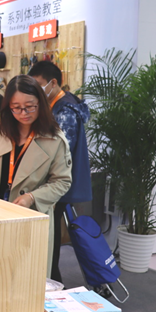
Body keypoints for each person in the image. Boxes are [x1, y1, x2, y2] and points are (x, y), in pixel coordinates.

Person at [0, 75, 72, 275]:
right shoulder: (1, 126)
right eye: (16, 107)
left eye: (30, 107)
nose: (23, 113)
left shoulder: (54, 139)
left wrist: (32, 197)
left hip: (30, 215)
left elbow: (62, 181)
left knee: (26, 274)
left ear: (41, 103)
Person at [29, 61, 92, 283]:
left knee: (52, 234)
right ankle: (49, 276)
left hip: (57, 183)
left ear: (53, 83)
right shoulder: (54, 105)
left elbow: (59, 152)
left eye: (39, 85)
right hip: (50, 182)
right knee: (50, 231)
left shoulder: (65, 110)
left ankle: (52, 280)